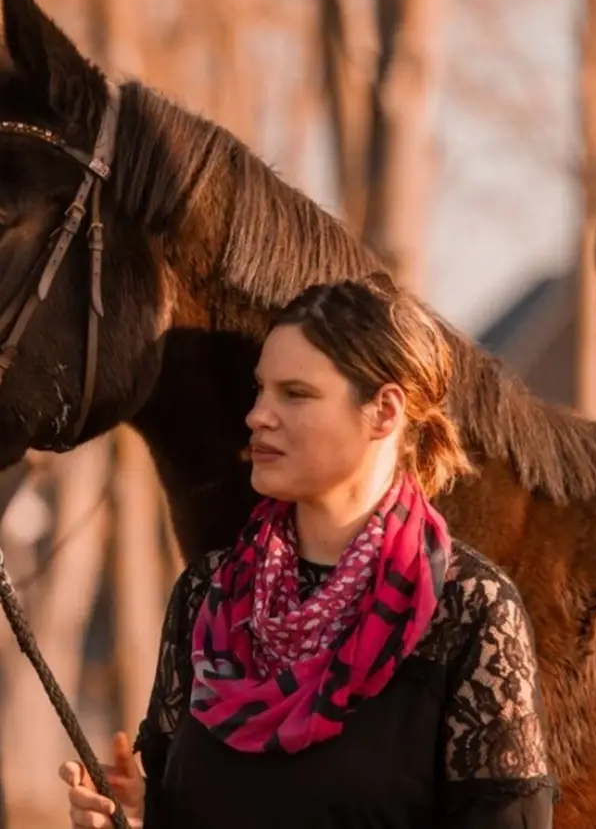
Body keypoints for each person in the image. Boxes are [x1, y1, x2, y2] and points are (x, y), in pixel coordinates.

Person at [60, 276, 558, 828]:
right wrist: (135, 815)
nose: (258, 416)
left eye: (295, 394)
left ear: (385, 411)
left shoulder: (467, 611)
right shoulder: (211, 597)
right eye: (261, 390)